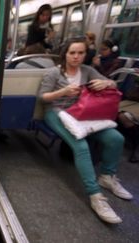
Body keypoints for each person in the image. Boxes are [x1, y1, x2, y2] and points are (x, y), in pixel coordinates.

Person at [38, 38, 133, 224]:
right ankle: (95, 196)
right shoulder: (53, 73)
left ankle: (107, 176)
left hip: (81, 113)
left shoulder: (88, 71)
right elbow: (43, 98)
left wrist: (108, 84)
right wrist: (63, 92)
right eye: (72, 53)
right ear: (65, 54)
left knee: (116, 138)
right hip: (56, 112)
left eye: (80, 53)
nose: (76, 57)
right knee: (81, 146)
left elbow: (111, 84)